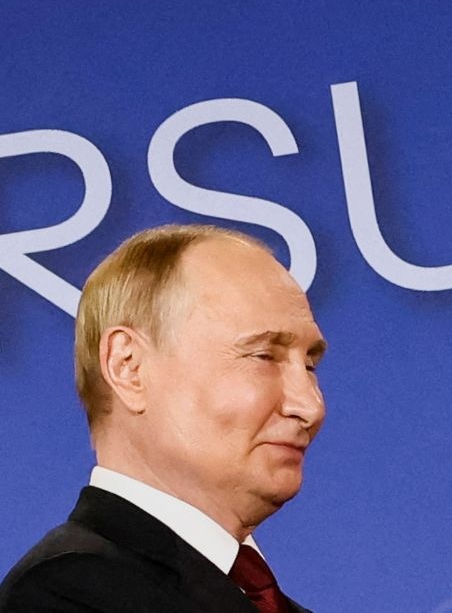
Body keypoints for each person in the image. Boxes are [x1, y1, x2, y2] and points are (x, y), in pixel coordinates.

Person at [0, 224, 327, 612]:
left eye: (310, 365)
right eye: (263, 356)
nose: (310, 406)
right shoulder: (62, 596)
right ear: (129, 367)